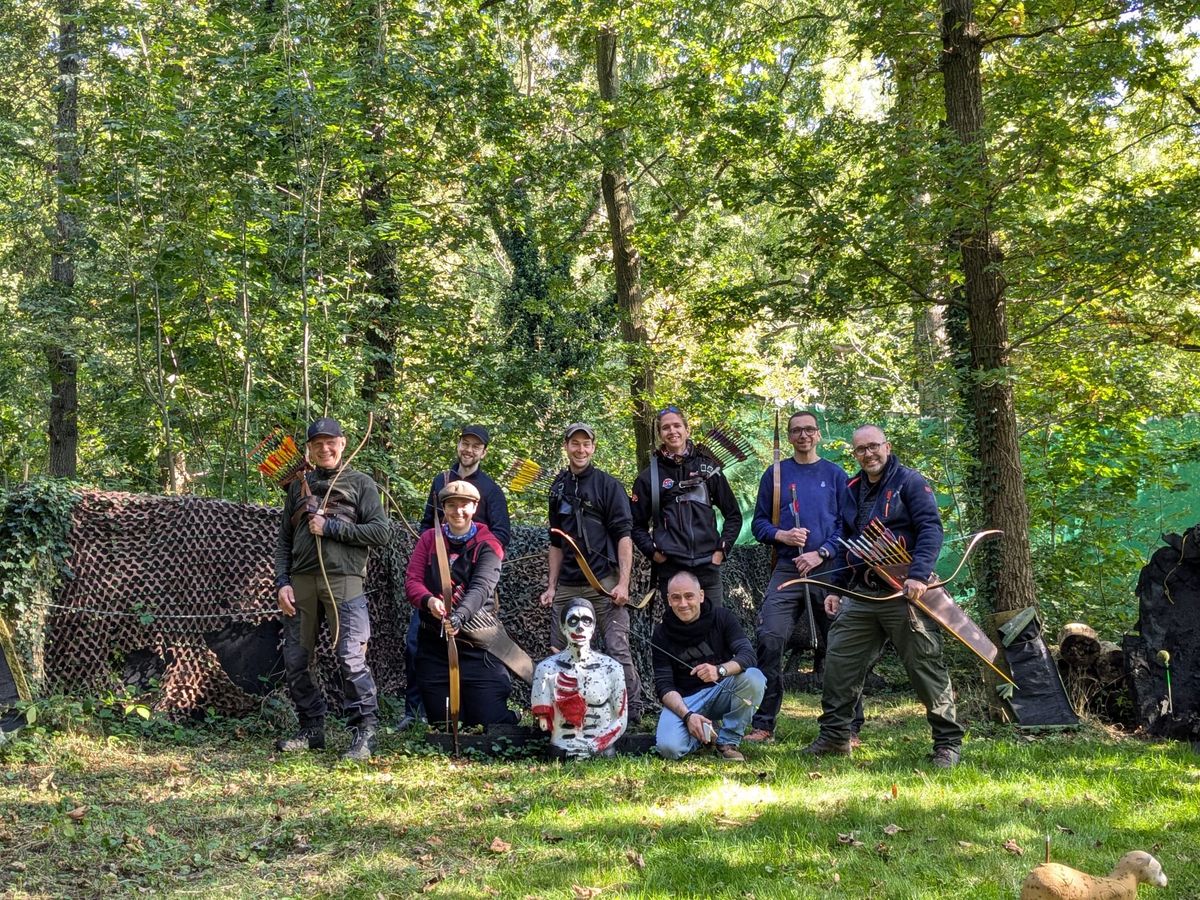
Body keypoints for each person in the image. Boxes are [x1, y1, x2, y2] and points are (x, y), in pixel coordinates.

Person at [804, 425, 965, 768]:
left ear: (887, 447)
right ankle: (835, 737)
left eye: (873, 447)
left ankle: (947, 744)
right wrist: (839, 588)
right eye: (861, 449)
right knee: (839, 664)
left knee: (924, 666)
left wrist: (919, 576)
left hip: (905, 593)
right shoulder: (851, 488)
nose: (868, 454)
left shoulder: (910, 482)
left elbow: (931, 529)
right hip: (862, 594)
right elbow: (849, 540)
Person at [274, 416, 391, 761]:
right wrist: (282, 583)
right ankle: (312, 730)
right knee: (296, 659)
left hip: (344, 582)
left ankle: (364, 734)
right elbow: (283, 541)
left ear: (342, 444)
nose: (325, 449)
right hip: (301, 583)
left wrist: (334, 527)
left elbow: (381, 533)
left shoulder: (360, 483)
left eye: (331, 442)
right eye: (317, 444)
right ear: (309, 450)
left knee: (350, 658)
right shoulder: (298, 486)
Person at [745, 410, 851, 743]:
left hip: (828, 570)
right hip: (788, 568)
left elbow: (846, 527)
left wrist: (821, 552)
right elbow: (759, 524)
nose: (803, 435)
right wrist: (784, 537)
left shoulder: (835, 475)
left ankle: (846, 725)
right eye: (796, 431)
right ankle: (764, 724)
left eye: (809, 430)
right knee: (770, 637)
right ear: (789, 437)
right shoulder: (775, 475)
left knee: (842, 644)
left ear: (818, 434)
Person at [402, 425, 511, 729]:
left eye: (476, 446)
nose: (469, 450)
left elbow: (502, 534)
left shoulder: (490, 489)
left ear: (483, 452)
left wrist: (474, 559)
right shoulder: (442, 481)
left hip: (475, 579)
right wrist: (435, 576)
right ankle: (416, 711)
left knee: (475, 646)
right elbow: (428, 525)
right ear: (459, 445)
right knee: (417, 643)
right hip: (438, 583)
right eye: (465, 443)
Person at [538, 423, 642, 721]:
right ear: (566, 446)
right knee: (559, 650)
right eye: (575, 444)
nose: (580, 449)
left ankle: (631, 711)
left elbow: (624, 536)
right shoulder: (557, 487)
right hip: (569, 585)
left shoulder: (609, 486)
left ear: (593, 447)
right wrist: (552, 586)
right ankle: (564, 712)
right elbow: (556, 542)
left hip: (604, 584)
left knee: (616, 647)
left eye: (586, 444)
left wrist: (623, 584)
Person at [630, 406, 742, 607]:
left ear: (687, 430)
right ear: (660, 435)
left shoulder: (708, 468)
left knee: (713, 626)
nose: (672, 431)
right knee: (679, 631)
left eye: (677, 425)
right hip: (672, 568)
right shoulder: (649, 477)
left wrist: (721, 551)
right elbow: (635, 525)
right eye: (666, 428)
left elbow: (733, 515)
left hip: (708, 566)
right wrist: (654, 554)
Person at [652, 571, 765, 761]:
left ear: (701, 596)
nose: (683, 603)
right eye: (676, 598)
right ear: (668, 600)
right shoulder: (661, 633)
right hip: (686, 700)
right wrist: (687, 716)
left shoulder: (722, 617)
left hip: (722, 690)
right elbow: (664, 686)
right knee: (669, 749)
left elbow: (748, 655)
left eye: (689, 596)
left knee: (754, 678)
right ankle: (706, 734)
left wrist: (719, 670)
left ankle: (728, 741)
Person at [531, 598, 628, 758]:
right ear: (563, 627)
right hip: (561, 749)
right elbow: (543, 722)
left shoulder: (612, 668)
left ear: (593, 627)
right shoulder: (546, 669)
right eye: (573, 621)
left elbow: (621, 718)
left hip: (601, 750)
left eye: (586, 621)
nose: (580, 627)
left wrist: (598, 744)